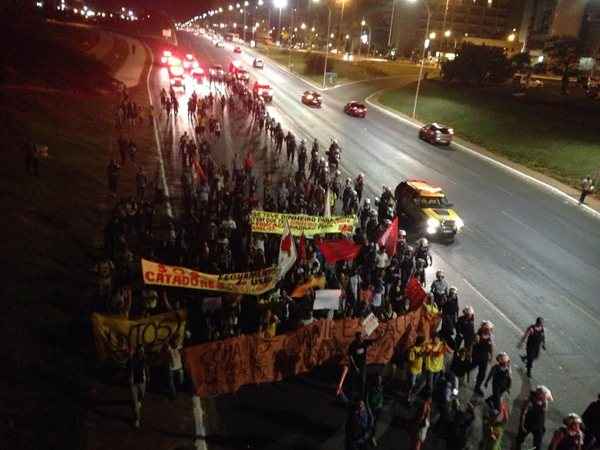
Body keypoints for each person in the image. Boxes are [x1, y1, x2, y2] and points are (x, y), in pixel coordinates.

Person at [515, 385, 553, 450]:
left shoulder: (544, 401)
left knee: (537, 446)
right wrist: (522, 426)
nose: (545, 399)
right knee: (519, 440)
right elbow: (523, 414)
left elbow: (543, 413)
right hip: (528, 424)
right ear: (539, 395)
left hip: (539, 427)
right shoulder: (529, 401)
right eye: (543, 397)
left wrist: (542, 427)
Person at [348, 331, 379, 400]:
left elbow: (374, 341)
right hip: (355, 366)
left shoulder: (364, 343)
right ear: (356, 338)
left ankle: (361, 397)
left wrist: (381, 335)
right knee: (354, 380)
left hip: (363, 365)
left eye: (362, 337)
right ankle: (352, 396)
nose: (361, 339)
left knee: (362, 381)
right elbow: (350, 356)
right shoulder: (352, 345)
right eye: (359, 338)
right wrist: (355, 367)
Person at [471, 321, 494, 396]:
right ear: (484, 328)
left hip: (484, 358)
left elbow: (491, 348)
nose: (488, 331)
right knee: (470, 366)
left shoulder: (490, 337)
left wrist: (491, 357)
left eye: (490, 329)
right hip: (476, 355)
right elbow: (473, 344)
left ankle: (477, 387)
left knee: (482, 374)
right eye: (487, 329)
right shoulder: (478, 335)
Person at [128, 346, 148, 429]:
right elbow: (130, 368)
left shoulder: (144, 359)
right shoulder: (132, 359)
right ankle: (137, 420)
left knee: (142, 395)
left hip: (142, 382)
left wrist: (147, 376)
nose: (141, 352)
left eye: (142, 351)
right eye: (140, 351)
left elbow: (146, 368)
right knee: (134, 403)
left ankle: (139, 401)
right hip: (133, 384)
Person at [407, 335, 426, 402]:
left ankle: (412, 396)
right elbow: (411, 359)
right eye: (423, 342)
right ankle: (409, 398)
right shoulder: (412, 349)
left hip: (419, 370)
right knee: (412, 385)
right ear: (420, 342)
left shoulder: (422, 349)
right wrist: (418, 354)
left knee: (422, 383)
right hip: (413, 370)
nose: (424, 344)